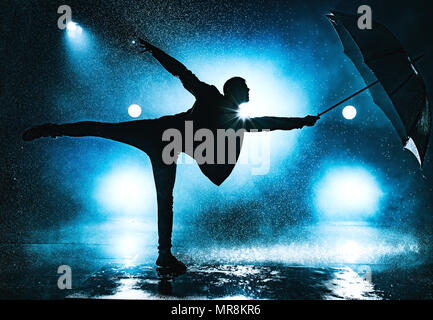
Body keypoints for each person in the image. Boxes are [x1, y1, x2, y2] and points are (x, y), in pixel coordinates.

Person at [22, 39, 319, 272]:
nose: (250, 91)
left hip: (167, 141)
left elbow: (270, 122)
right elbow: (183, 73)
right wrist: (155, 52)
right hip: (163, 135)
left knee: (120, 146)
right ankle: (52, 129)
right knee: (119, 146)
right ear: (236, 92)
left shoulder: (233, 117)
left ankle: (165, 255)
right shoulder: (214, 98)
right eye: (246, 89)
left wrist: (300, 121)